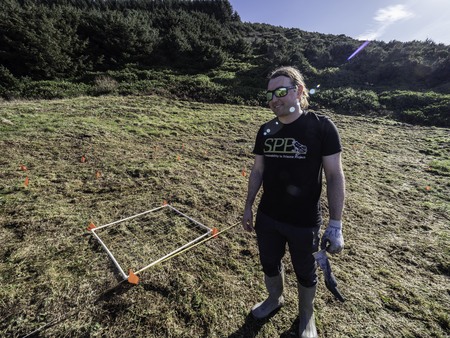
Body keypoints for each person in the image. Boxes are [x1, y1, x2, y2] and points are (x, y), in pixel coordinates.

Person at [242, 66, 345, 338]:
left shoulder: (321, 126)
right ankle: (274, 299)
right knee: (268, 262)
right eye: (270, 95)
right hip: (268, 217)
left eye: (280, 91)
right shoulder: (265, 130)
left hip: (304, 221)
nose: (274, 99)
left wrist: (336, 224)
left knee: (305, 271)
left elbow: (335, 175)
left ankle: (306, 316)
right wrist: (248, 206)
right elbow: (257, 170)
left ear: (299, 91)